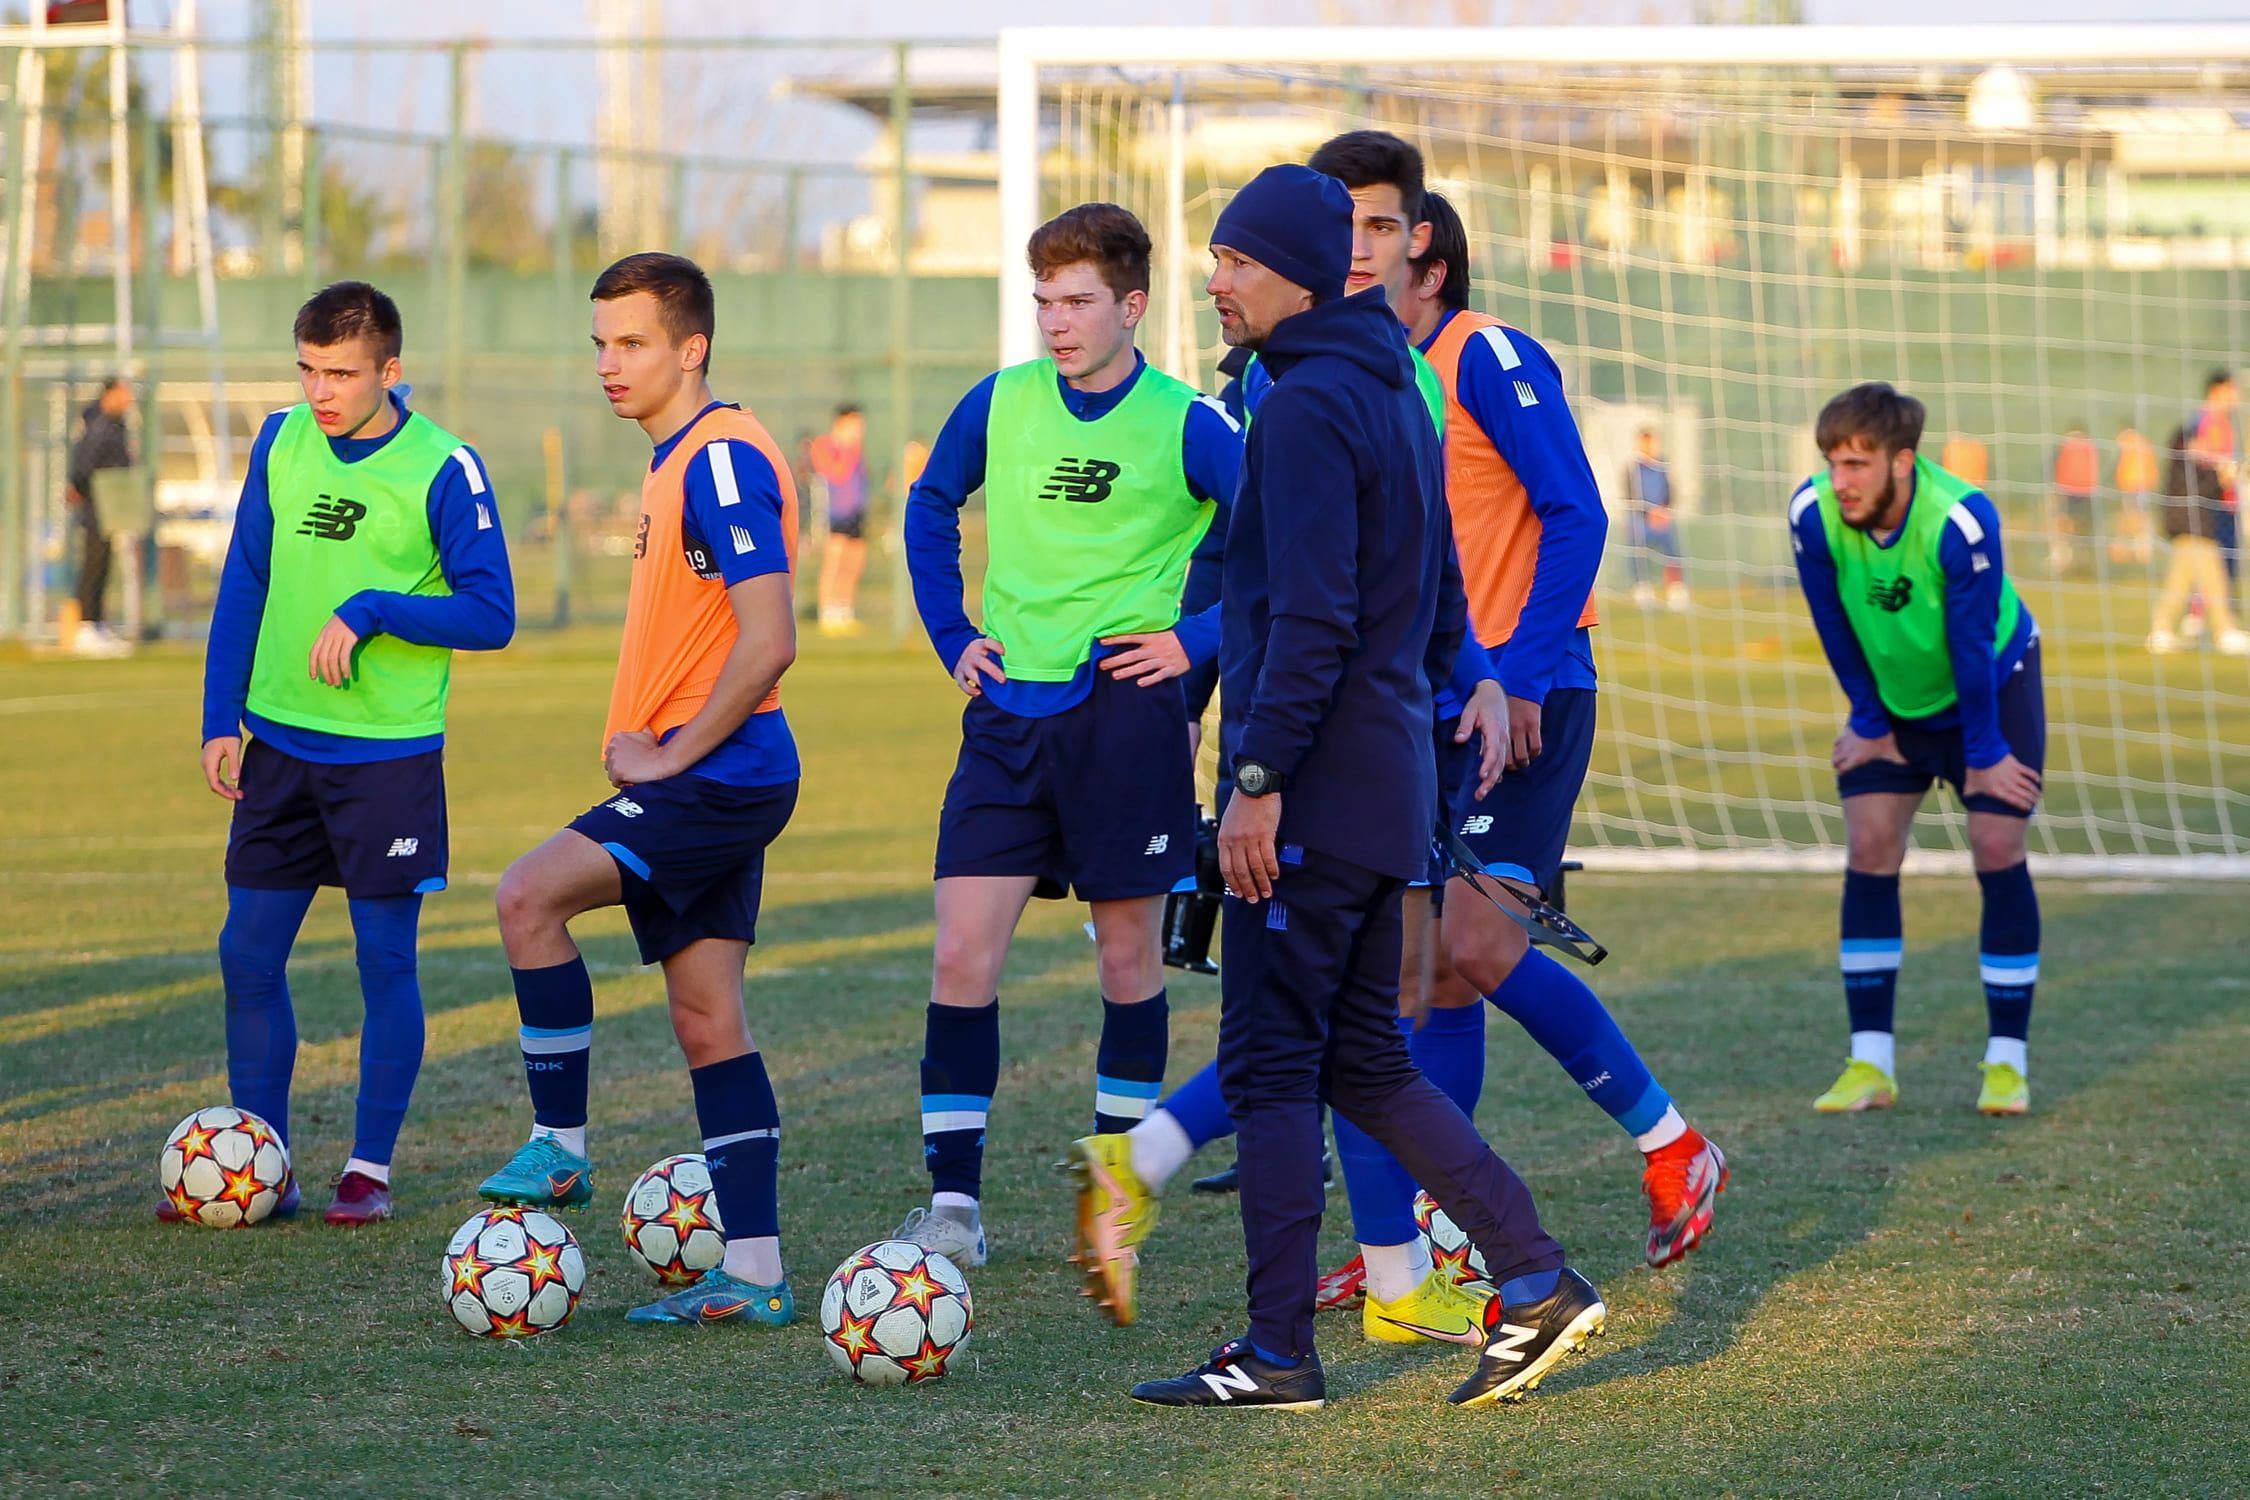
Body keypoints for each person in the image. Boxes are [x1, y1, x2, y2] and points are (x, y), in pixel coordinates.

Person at [1078, 143, 1722, 1344]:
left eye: (1376, 225)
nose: (1360, 245)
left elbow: (1569, 513)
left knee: (1444, 959)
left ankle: (1656, 1150)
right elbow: (1333, 576)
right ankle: (1405, 1259)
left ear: (1421, 240)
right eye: (1345, 227)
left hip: (1502, 699)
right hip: (1404, 708)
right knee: (1399, 992)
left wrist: (1510, 674)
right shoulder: (1340, 380)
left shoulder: (1472, 359)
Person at [1128, 164, 1604, 1413]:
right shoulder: (1393, 379)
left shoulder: (1300, 402)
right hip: (1384, 784)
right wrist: (1475, 678)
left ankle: (1279, 1351)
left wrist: (1255, 781)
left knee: (1275, 1063)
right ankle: (1538, 1277)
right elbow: (1440, 576)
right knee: (1364, 1063)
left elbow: (1312, 618)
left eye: (1233, 260)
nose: (1216, 280)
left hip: (1317, 790)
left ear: (1289, 268)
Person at [894, 203, 1241, 1273]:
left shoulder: (1190, 422)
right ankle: (953, 1207)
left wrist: (1195, 641)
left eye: (1078, 302)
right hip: (1006, 720)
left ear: (1131, 307)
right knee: (962, 955)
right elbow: (927, 502)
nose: (1055, 321)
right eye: (1043, 301)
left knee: (1129, 960)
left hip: (1125, 720)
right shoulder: (999, 402)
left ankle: (1112, 1192)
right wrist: (952, 631)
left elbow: (1296, 550)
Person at [474, 253, 805, 1329]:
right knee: (709, 1020)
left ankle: (562, 1149)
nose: (609, 365)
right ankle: (753, 1274)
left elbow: (770, 641)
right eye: (600, 345)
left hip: (722, 774)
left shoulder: (716, 463)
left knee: (528, 896)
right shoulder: (676, 465)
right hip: (725, 773)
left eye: (632, 344)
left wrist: (669, 754)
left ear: (690, 348)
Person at [192, 281, 515, 1226]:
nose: (320, 391)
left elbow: (491, 613)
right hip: (279, 746)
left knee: (384, 962)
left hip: (386, 759)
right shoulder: (281, 439)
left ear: (390, 372)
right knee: (246, 955)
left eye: (340, 373)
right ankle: (263, 1164)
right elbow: (246, 575)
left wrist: (372, 609)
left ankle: (368, 1170)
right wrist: (223, 716)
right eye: (307, 370)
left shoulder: (444, 467)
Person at [1792, 382, 2046, 1118]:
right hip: (1894, 699)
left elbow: (1970, 649)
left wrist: (1987, 750)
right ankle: (1870, 1065)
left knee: (1997, 846)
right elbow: (1832, 619)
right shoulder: (1812, 516)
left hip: (1991, 687)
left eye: (1858, 465)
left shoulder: (1961, 522)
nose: (1840, 481)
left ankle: (2007, 1064)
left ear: (1903, 462)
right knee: (1870, 845)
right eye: (1833, 463)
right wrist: (1868, 715)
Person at [2150, 371, 2249, 656]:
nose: (2235, 398)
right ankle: (2222, 629)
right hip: (2195, 512)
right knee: (2212, 570)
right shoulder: (2201, 426)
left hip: (2201, 510)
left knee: (2184, 574)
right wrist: (2226, 474)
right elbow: (2202, 470)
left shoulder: (2217, 425)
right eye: (2231, 391)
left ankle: (2166, 628)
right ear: (2217, 391)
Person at [63, 376, 135, 653]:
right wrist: (79, 487)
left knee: (103, 565)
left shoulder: (117, 426)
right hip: (96, 507)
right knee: (92, 567)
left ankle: (97, 625)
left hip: (110, 508)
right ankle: (85, 626)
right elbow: (85, 465)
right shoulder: (100, 425)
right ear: (110, 394)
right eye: (124, 393)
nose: (128, 400)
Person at [809, 403, 869, 636]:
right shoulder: (826, 445)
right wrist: (848, 450)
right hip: (835, 513)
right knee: (834, 561)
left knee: (854, 562)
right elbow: (836, 473)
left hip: (856, 512)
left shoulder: (858, 448)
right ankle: (828, 611)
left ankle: (844, 609)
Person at [1626, 424, 1689, 611]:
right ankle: (1642, 590)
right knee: (1637, 552)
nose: (1648, 446)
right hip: (1641, 519)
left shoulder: (1663, 466)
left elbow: (1671, 491)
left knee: (1673, 551)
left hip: (1663, 518)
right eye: (1644, 442)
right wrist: (1648, 513)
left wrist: (1663, 510)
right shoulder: (1633, 469)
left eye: (1651, 441)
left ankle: (1676, 592)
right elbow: (1629, 495)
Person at [2047, 424, 2099, 576]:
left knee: (2066, 523)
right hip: (2085, 491)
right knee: (2081, 526)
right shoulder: (2090, 447)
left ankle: (2065, 556)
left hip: (2069, 490)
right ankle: (2079, 557)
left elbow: (2055, 466)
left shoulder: (2065, 445)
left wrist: (2056, 489)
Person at [2111, 423, 2158, 568]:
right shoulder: (2145, 441)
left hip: (2131, 485)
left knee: (2132, 515)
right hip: (2143, 484)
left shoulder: (2126, 441)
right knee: (2141, 515)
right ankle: (2142, 547)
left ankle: (2136, 547)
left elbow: (2122, 465)